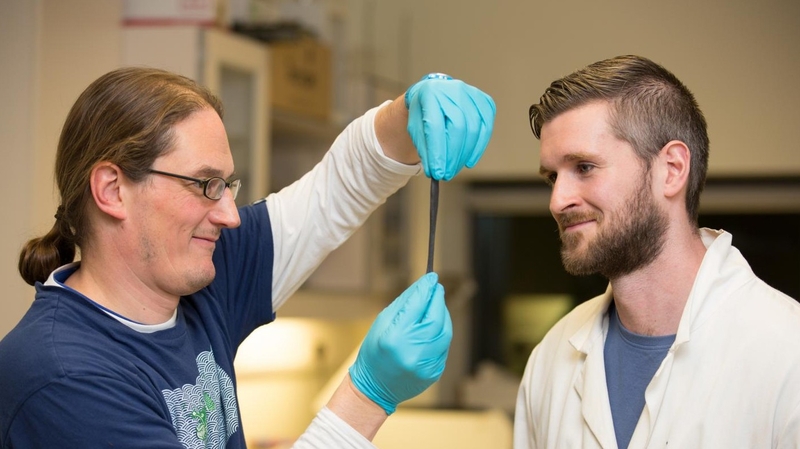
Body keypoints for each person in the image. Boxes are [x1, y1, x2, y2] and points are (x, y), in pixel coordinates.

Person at [0, 67, 495, 448]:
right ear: (112, 190)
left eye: (227, 185)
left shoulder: (201, 275)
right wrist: (367, 395)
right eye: (204, 184)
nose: (230, 216)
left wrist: (407, 115)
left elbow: (339, 188)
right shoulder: (64, 379)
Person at [515, 55, 800, 448]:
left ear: (672, 169)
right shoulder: (551, 358)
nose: (557, 200)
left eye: (584, 167)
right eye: (552, 177)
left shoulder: (787, 353)